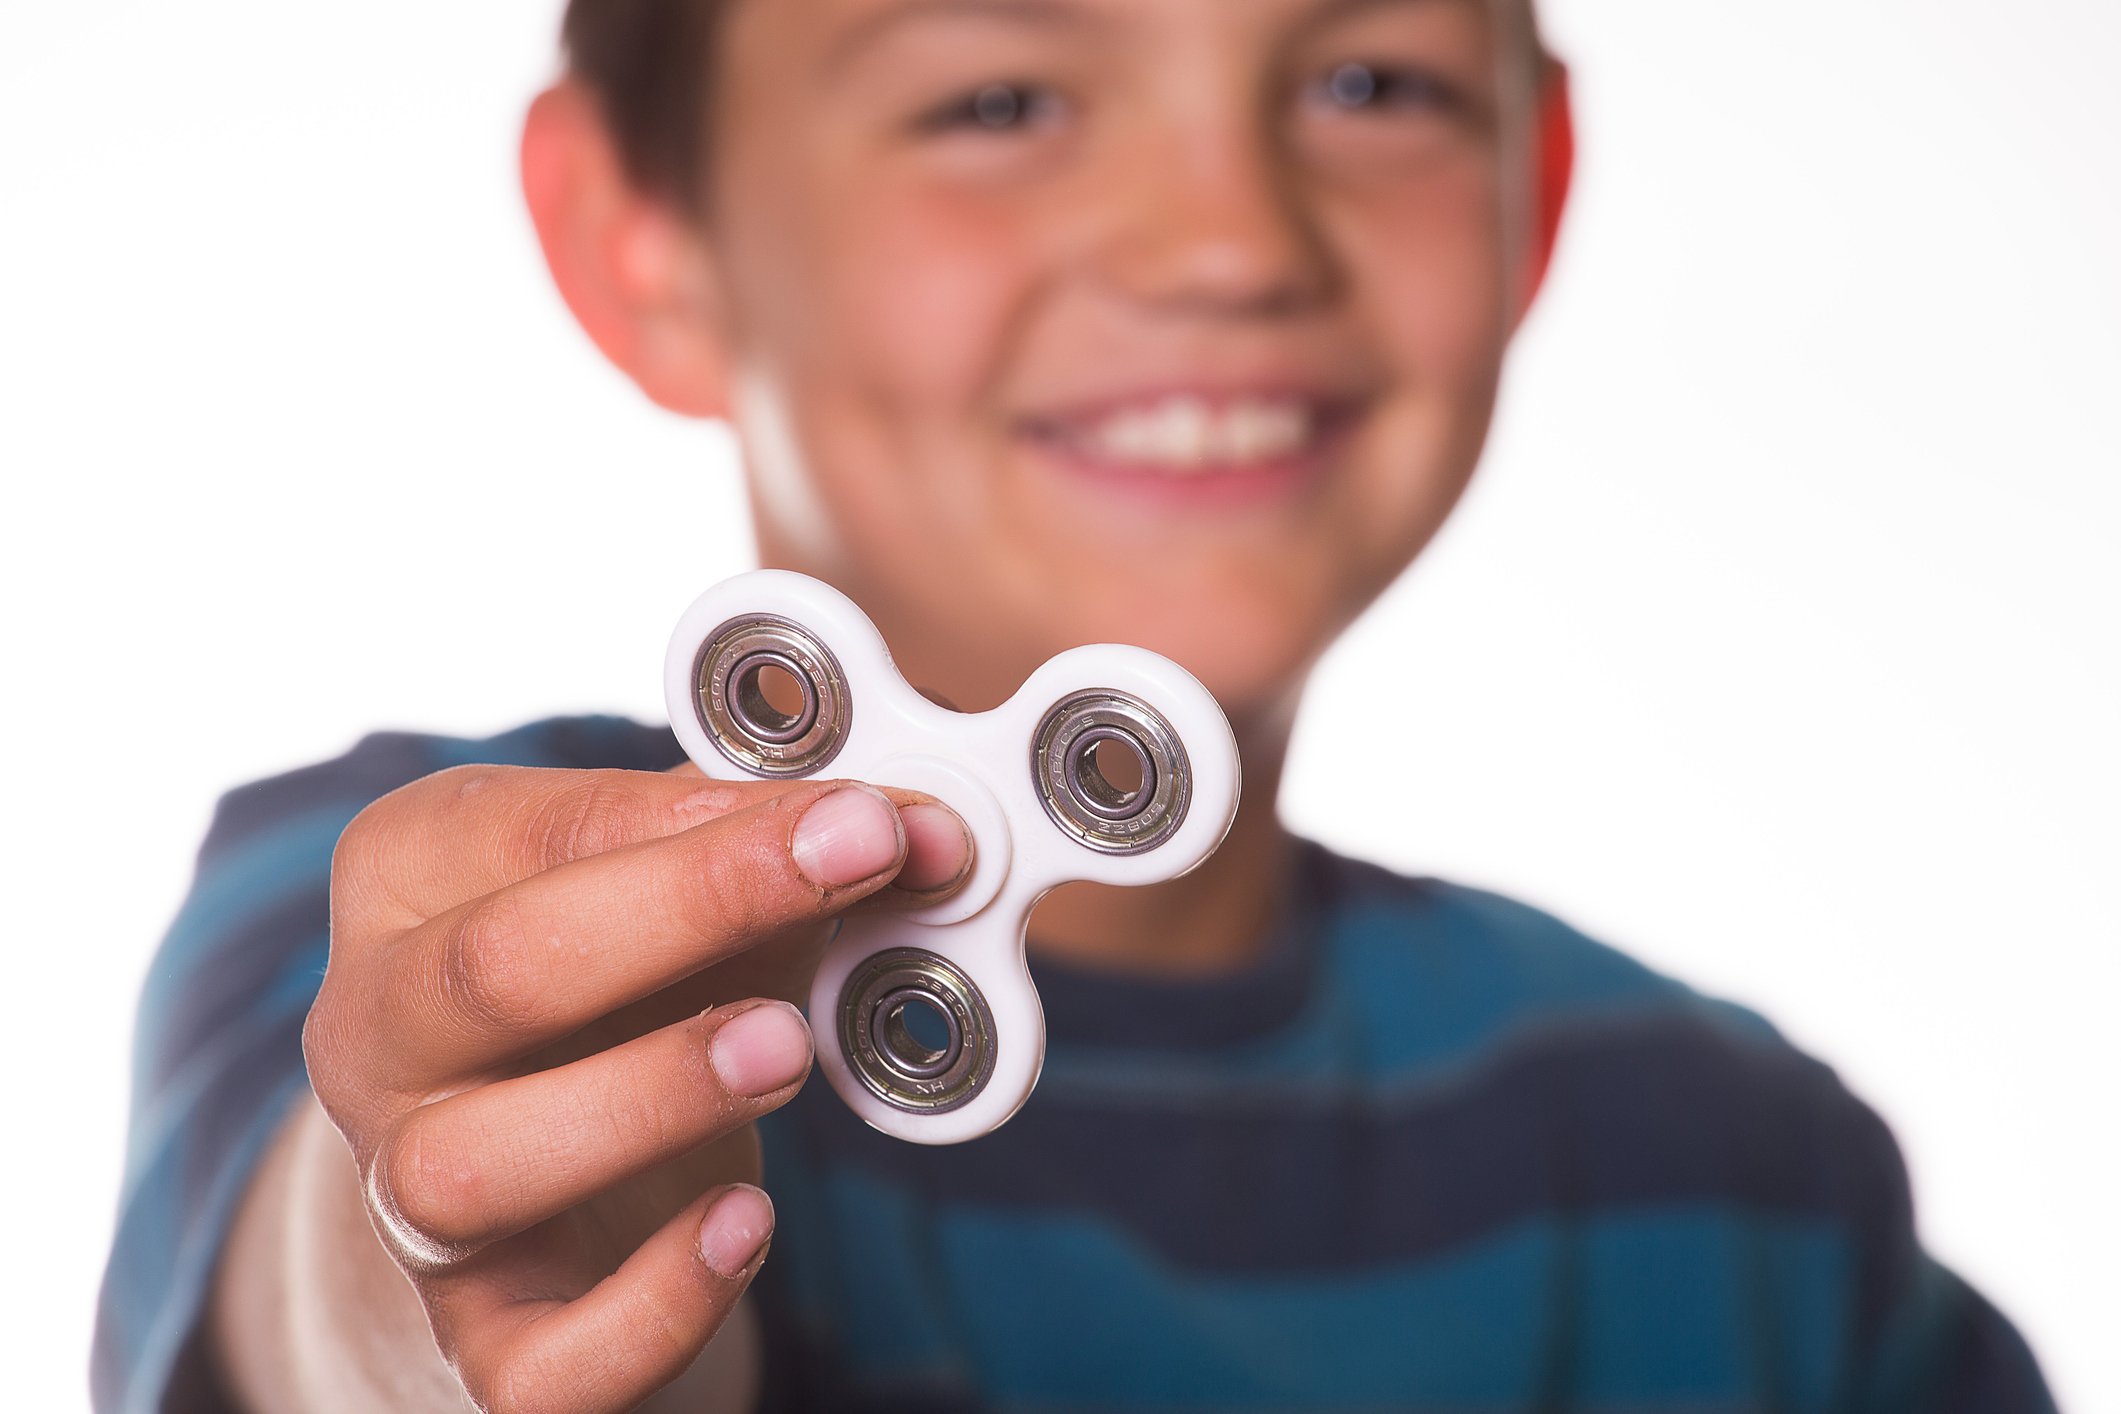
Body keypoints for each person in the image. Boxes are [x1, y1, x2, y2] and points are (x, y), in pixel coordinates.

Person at [94, 0, 2058, 1410]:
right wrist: (466, 1261)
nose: (1226, 243)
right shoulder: (393, 901)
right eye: (1002, 94)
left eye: (1369, 80)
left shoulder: (1733, 1170)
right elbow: (350, 1263)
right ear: (643, 238)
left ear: (1530, 188)